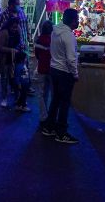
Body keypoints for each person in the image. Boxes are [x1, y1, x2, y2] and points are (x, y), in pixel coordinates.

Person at [40, 8, 80, 144]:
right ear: (72, 21)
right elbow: (71, 59)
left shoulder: (55, 31)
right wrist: (75, 74)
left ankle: (49, 127)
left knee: (55, 100)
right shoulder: (68, 36)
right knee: (64, 103)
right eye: (77, 19)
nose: (79, 22)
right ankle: (61, 132)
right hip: (64, 72)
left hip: (54, 69)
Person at [0, 17, 23, 107]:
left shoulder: (17, 31)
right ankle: (4, 98)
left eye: (16, 27)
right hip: (4, 59)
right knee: (4, 79)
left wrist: (20, 47)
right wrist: (11, 50)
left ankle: (17, 98)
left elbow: (19, 42)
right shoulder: (4, 33)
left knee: (15, 79)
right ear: (9, 25)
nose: (15, 29)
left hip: (14, 59)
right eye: (13, 27)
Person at [34, 21, 53, 123]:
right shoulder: (53, 39)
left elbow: (37, 55)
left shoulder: (39, 39)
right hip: (52, 69)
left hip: (41, 68)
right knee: (53, 93)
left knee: (41, 94)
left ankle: (43, 115)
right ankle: (52, 114)